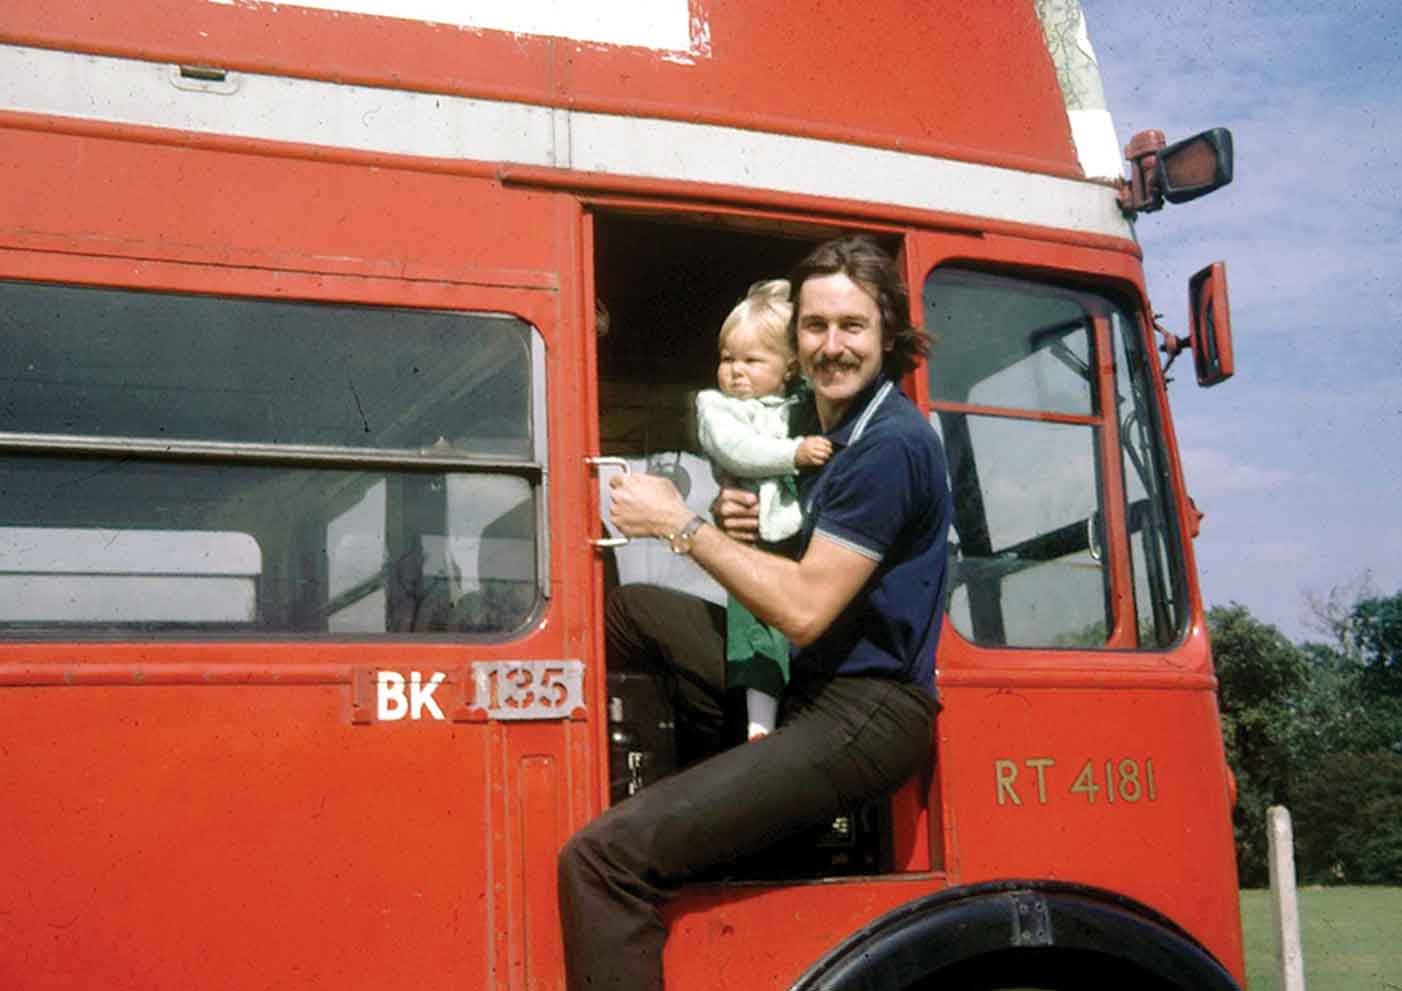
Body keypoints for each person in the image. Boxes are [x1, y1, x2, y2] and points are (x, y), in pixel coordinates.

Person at [558, 235, 953, 991]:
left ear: (888, 334)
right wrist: (736, 517)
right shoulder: (836, 433)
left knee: (602, 860)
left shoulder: (889, 446)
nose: (832, 345)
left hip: (865, 709)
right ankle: (692, 788)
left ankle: (664, 823)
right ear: (795, 339)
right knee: (632, 611)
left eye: (852, 326)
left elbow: (804, 607)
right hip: (813, 683)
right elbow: (801, 560)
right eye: (814, 327)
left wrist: (683, 526)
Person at [695, 278, 832, 739]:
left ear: (788, 368)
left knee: (799, 621)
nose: (736, 372)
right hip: (756, 538)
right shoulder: (716, 408)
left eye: (752, 360)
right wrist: (794, 454)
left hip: (797, 536)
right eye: (728, 358)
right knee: (752, 624)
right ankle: (760, 725)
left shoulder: (800, 406)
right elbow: (738, 450)